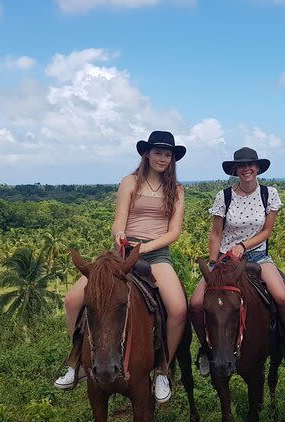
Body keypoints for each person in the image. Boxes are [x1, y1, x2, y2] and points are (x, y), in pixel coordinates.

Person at [55, 130, 188, 403]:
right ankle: (77, 358)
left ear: (172, 159)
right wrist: (119, 235)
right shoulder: (130, 182)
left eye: (168, 154)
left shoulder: (176, 190)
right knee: (72, 299)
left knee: (178, 309)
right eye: (158, 152)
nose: (163, 158)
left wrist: (145, 248)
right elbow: (119, 221)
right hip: (121, 252)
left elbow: (174, 232)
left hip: (156, 255)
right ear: (146, 154)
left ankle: (162, 369)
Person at [189, 147, 285, 374]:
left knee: (283, 298)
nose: (246, 169)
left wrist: (243, 246)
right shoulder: (224, 196)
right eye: (242, 165)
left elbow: (267, 230)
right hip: (225, 260)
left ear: (257, 168)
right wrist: (213, 263)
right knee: (196, 304)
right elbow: (216, 233)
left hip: (258, 256)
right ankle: (205, 350)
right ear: (235, 170)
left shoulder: (269, 194)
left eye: (251, 165)